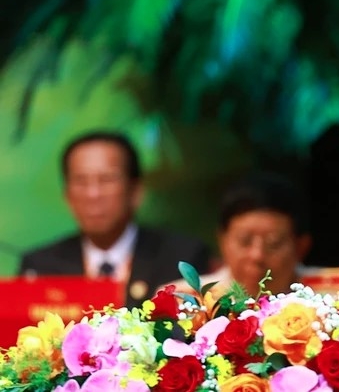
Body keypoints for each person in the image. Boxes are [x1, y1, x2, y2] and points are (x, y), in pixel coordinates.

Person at [18, 131, 211, 308]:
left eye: (107, 179)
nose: (93, 194)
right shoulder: (40, 267)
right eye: (80, 181)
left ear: (136, 191)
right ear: (67, 196)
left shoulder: (181, 258)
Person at [167, 172, 313, 298]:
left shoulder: (331, 297)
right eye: (245, 241)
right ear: (222, 240)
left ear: (301, 246)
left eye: (273, 244)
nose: (257, 255)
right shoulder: (183, 299)